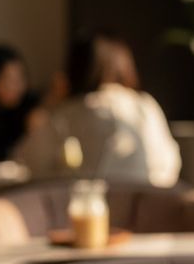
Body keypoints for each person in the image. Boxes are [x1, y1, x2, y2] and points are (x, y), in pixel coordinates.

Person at [16, 31, 181, 187]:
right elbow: (169, 165)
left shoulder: (72, 111)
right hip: (147, 207)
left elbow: (30, 162)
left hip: (90, 209)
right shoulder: (145, 105)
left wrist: (50, 103)